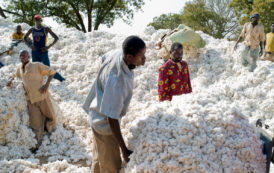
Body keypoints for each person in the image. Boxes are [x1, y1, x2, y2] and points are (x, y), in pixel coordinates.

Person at [83, 36, 146, 173]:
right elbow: (111, 118)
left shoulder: (117, 53)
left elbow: (103, 58)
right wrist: (123, 149)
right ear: (129, 57)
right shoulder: (117, 81)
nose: (144, 59)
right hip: (104, 125)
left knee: (99, 157)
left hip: (95, 113)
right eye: (141, 56)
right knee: (111, 165)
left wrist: (102, 84)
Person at [6, 50, 57, 152]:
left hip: (42, 97)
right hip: (31, 101)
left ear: (29, 57)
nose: (22, 57)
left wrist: (46, 86)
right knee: (35, 123)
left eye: (24, 55)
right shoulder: (20, 69)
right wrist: (10, 81)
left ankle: (53, 135)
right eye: (21, 55)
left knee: (51, 116)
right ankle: (37, 144)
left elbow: (51, 72)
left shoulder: (36, 65)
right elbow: (14, 76)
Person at [24, 14, 65, 82]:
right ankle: (37, 82)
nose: (37, 21)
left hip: (43, 52)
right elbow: (25, 37)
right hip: (35, 52)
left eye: (38, 20)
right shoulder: (32, 29)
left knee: (47, 68)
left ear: (41, 20)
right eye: (36, 20)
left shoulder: (45, 29)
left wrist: (48, 47)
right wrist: (30, 45)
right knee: (35, 68)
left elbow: (56, 38)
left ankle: (61, 79)